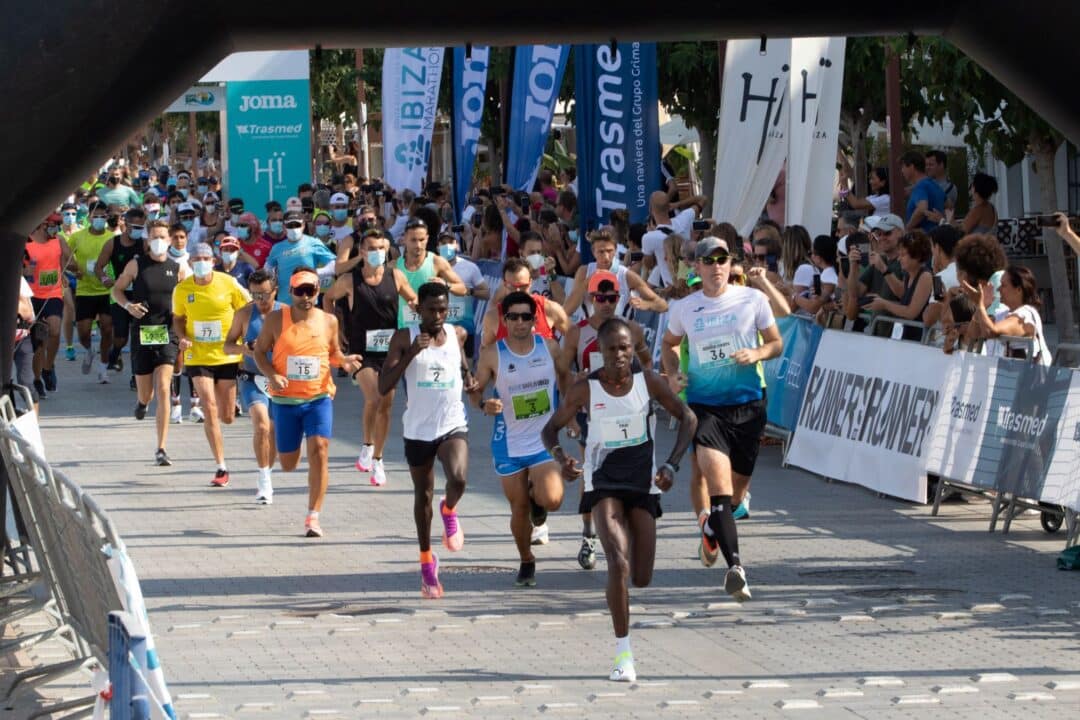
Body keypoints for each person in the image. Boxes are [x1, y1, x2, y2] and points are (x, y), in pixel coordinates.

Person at [542, 317, 696, 683]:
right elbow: (550, 428)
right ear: (600, 352)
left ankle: (622, 593)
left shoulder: (650, 383)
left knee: (641, 578)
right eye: (611, 349)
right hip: (603, 484)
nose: (619, 355)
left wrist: (672, 465)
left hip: (643, 485)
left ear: (632, 349)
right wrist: (561, 459)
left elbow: (688, 418)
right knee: (617, 562)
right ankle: (623, 653)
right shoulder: (585, 390)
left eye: (625, 348)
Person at [660, 237, 782, 602]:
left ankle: (714, 528)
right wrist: (671, 375)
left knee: (737, 493)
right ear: (696, 267)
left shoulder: (753, 300)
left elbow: (776, 342)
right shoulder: (684, 308)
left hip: (748, 406)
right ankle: (736, 569)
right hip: (705, 408)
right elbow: (668, 345)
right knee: (719, 486)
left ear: (731, 264)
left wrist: (758, 351)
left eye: (722, 259)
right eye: (708, 260)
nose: (716, 266)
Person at [378, 282, 479, 599]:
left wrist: (472, 383)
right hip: (418, 430)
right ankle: (426, 564)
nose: (437, 315)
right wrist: (411, 353)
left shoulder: (455, 334)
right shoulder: (404, 337)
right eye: (431, 309)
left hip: (452, 424)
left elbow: (463, 370)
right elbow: (384, 385)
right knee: (422, 497)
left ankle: (449, 510)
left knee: (459, 479)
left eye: (443, 309)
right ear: (417, 309)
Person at [469, 292, 572, 585]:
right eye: (513, 317)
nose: (519, 323)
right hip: (509, 442)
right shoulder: (492, 354)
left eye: (526, 316)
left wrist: (572, 417)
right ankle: (526, 559)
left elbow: (566, 380)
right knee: (519, 509)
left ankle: (539, 503)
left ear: (535, 319)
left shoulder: (550, 348)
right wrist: (482, 404)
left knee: (552, 499)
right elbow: (476, 390)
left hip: (542, 440)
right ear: (504, 319)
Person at [253, 268, 362, 535]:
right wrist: (272, 374)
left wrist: (344, 361)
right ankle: (282, 434)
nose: (305, 296)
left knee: (320, 450)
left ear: (317, 291)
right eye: (299, 291)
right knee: (289, 464)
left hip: (318, 397)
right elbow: (259, 352)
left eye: (310, 291)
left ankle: (313, 516)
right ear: (290, 293)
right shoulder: (277, 319)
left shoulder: (329, 321)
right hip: (286, 401)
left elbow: (334, 353)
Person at [561, 271, 654, 568]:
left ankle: (618, 534)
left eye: (611, 298)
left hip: (627, 417)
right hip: (592, 416)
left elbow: (648, 362)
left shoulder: (632, 330)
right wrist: (571, 415)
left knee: (627, 474)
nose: (605, 304)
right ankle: (589, 535)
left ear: (619, 299)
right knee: (592, 474)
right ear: (590, 298)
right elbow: (563, 371)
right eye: (599, 298)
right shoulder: (578, 332)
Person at [324, 230, 418, 486]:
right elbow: (328, 298)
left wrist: (419, 307)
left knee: (386, 405)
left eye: (381, 247)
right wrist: (336, 330)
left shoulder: (394, 276)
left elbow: (413, 299)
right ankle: (367, 443)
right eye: (372, 247)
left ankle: (377, 458)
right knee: (374, 397)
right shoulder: (349, 279)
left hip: (390, 351)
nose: (378, 252)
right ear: (362, 252)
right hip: (360, 351)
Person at [172, 242, 250, 486]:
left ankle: (231, 407)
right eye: (196, 259)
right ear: (190, 263)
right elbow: (178, 319)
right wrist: (182, 338)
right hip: (198, 355)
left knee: (227, 416)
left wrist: (243, 339)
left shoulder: (228, 283)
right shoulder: (182, 289)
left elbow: (248, 308)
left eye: (205, 258)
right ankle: (221, 466)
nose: (200, 263)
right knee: (209, 406)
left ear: (213, 261)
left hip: (226, 355)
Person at [111, 220, 186, 466]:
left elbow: (187, 304)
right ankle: (142, 403)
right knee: (148, 393)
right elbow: (116, 290)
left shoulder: (177, 269)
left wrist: (185, 334)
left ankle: (161, 448)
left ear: (170, 239)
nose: (159, 240)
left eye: (163, 236)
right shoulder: (136, 264)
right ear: (147, 239)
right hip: (143, 332)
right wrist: (128, 305)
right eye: (154, 236)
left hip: (167, 333)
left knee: (164, 387)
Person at [224, 270, 281, 503]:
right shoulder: (245, 313)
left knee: (274, 432)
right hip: (252, 377)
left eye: (264, 295)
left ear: (275, 291)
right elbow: (227, 346)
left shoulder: (287, 313)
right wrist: (245, 349)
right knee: (262, 426)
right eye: (255, 294)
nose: (260, 300)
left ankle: (268, 470)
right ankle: (264, 479)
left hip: (279, 379)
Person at [564, 229, 668, 319]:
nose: (606, 256)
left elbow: (663, 306)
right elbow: (568, 310)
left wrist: (646, 304)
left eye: (609, 251)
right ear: (593, 252)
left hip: (618, 335)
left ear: (615, 251)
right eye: (601, 252)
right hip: (591, 334)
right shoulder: (584, 272)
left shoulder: (627, 275)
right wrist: (588, 282)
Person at [66, 201, 115, 384]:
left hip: (106, 290)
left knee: (107, 328)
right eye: (96, 216)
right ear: (89, 218)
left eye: (103, 216)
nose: (100, 219)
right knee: (83, 333)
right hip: (85, 290)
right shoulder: (77, 237)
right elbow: (66, 258)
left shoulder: (112, 237)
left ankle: (103, 368)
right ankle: (88, 350)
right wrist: (73, 271)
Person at [962, 265, 1050, 364]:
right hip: (1009, 376)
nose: (998, 289)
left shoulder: (1026, 315)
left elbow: (990, 331)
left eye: (1003, 285)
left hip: (1030, 377)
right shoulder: (1003, 314)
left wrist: (980, 304)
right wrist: (982, 306)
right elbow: (972, 334)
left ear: (1018, 290)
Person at [96, 206, 146, 380]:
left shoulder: (145, 244)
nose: (140, 231)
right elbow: (98, 267)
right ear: (126, 225)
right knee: (121, 336)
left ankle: (136, 375)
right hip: (120, 294)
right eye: (136, 227)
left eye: (142, 228)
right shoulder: (112, 243)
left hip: (141, 296)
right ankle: (115, 352)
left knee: (139, 337)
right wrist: (104, 279)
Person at [25, 214, 70, 397]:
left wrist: (70, 268)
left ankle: (48, 366)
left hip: (52, 293)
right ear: (43, 225)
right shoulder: (26, 241)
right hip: (30, 295)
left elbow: (69, 262)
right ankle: (36, 379)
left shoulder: (59, 240)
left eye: (59, 225)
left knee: (54, 329)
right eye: (54, 225)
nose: (57, 229)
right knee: (38, 341)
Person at [481, 258, 570, 348]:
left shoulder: (548, 309)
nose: (518, 291)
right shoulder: (493, 317)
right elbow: (485, 351)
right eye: (512, 287)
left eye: (523, 286)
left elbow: (574, 337)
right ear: (505, 284)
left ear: (530, 283)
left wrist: (561, 358)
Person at [396, 219, 467, 328]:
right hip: (404, 330)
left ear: (427, 238)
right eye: (413, 240)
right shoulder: (395, 265)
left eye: (421, 240)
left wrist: (446, 285)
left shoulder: (437, 262)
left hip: (431, 329)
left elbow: (463, 289)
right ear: (404, 239)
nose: (418, 245)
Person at [864, 231, 934, 341]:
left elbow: (911, 312)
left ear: (916, 256)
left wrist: (884, 304)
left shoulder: (925, 276)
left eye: (903, 255)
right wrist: (878, 300)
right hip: (905, 337)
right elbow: (902, 295)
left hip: (918, 341)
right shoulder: (908, 275)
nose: (899, 258)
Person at [844, 214, 905, 331]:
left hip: (900, 337)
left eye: (887, 233)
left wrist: (883, 269)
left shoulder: (910, 262)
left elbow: (908, 299)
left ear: (901, 233)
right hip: (877, 335)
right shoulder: (878, 261)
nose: (882, 238)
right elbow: (854, 295)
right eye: (879, 234)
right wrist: (853, 266)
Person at [264, 210, 337, 303]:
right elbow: (267, 268)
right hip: (284, 303)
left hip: (308, 302)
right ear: (284, 227)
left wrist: (316, 273)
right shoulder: (277, 248)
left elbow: (334, 264)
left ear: (303, 226)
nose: (294, 229)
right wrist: (273, 280)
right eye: (290, 226)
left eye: (297, 225)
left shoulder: (313, 243)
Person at [435, 231, 489, 357]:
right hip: (440, 327)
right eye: (443, 243)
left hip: (465, 326)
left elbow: (486, 293)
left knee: (467, 368)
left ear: (457, 246)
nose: (447, 246)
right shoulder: (431, 267)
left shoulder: (469, 267)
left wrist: (468, 291)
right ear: (438, 247)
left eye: (451, 242)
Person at [641, 189, 707, 287]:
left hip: (673, 289)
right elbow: (703, 199)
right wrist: (677, 204)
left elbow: (649, 265)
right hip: (691, 282)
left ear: (651, 210)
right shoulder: (684, 218)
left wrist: (652, 232)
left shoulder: (648, 238)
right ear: (668, 206)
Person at [923, 225, 962, 328]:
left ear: (937, 248)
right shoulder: (968, 270)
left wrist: (936, 277)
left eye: (931, 246)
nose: (931, 251)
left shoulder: (939, 279)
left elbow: (929, 319)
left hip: (945, 339)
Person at [901, 151, 946, 232]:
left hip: (923, 239)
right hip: (936, 236)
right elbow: (949, 206)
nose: (902, 171)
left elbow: (922, 209)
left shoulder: (920, 186)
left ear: (911, 167)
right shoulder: (934, 185)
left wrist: (907, 228)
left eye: (903, 167)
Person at [925, 150, 958, 214]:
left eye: (931, 165)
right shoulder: (924, 182)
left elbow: (948, 214)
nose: (927, 167)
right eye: (926, 165)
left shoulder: (950, 188)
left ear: (941, 165)